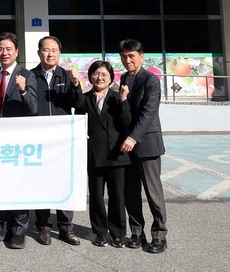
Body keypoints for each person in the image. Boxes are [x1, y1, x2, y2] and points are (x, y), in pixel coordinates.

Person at [0, 32, 38, 249]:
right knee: (2, 183)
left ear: (16, 51)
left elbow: (34, 108)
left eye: (8, 49)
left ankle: (19, 230)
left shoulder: (27, 75)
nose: (4, 53)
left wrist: (23, 90)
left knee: (19, 183)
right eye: (0, 49)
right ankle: (3, 225)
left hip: (19, 141)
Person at [71, 60, 131, 248]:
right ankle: (100, 233)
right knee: (96, 196)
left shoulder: (117, 97)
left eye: (104, 74)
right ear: (90, 77)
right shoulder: (85, 98)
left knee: (117, 196)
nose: (100, 78)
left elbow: (127, 123)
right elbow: (78, 120)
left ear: (111, 78)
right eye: (96, 74)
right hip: (94, 154)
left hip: (116, 154)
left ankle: (118, 234)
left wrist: (124, 100)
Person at [31, 36, 81, 246]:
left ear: (59, 53)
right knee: (41, 182)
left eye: (54, 50)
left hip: (62, 140)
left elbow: (78, 104)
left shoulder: (67, 76)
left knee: (64, 181)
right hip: (39, 140)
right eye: (46, 50)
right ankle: (43, 226)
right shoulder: (31, 76)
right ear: (39, 53)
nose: (50, 54)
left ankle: (66, 227)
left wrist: (76, 84)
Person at [119, 39, 168, 254]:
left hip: (146, 143)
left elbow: (149, 112)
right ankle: (137, 233)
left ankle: (160, 235)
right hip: (126, 146)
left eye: (131, 56)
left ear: (141, 56)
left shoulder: (150, 80)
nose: (128, 60)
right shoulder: (123, 78)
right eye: (124, 56)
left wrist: (133, 138)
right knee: (131, 192)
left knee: (153, 192)